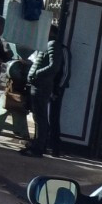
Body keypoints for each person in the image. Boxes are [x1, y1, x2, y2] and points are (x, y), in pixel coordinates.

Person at [25, 23, 67, 157]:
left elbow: (54, 66)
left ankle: (39, 146)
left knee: (41, 117)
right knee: (37, 117)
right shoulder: (47, 44)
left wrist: (37, 73)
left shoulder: (53, 45)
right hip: (38, 85)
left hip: (42, 86)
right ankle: (36, 144)